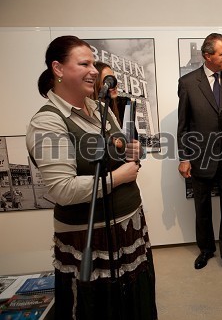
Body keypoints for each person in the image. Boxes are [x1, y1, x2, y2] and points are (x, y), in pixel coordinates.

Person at [26, 35, 157, 319]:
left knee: (133, 302)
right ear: (58, 69)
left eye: (93, 64)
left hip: (128, 228)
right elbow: (62, 190)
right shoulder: (47, 121)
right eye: (84, 63)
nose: (94, 71)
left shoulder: (98, 108)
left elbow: (121, 151)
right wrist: (118, 178)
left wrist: (133, 151)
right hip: (89, 237)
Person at [177, 33, 222, 280]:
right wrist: (184, 157)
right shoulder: (187, 83)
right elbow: (183, 124)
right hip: (200, 159)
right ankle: (206, 250)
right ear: (208, 56)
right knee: (202, 208)